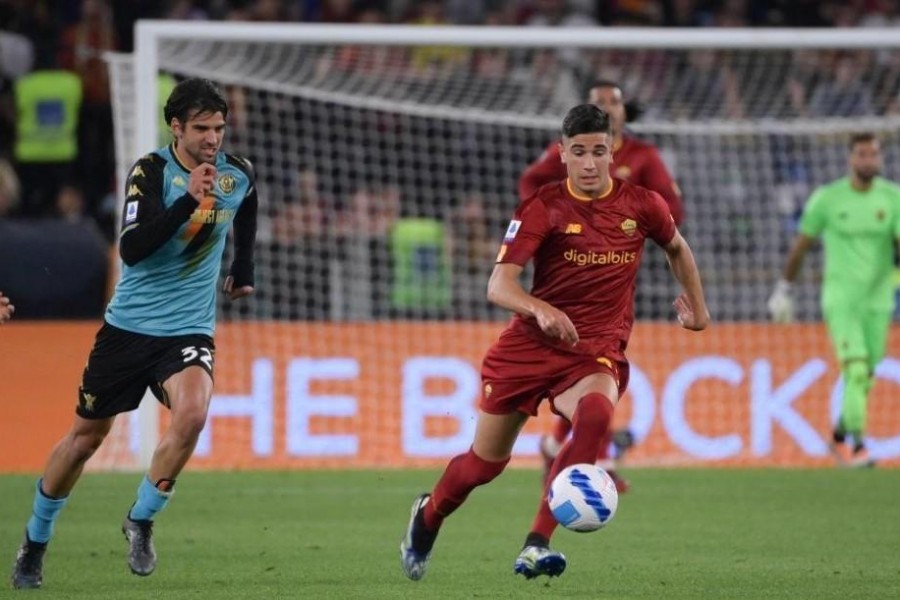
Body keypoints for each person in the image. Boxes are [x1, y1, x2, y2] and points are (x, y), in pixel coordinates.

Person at [400, 104, 709, 581]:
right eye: (579, 152)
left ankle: (536, 543)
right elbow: (499, 286)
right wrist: (540, 309)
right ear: (562, 154)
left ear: (613, 152)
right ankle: (428, 515)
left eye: (599, 152)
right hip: (530, 348)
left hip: (593, 350)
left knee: (597, 415)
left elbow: (677, 247)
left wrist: (699, 308)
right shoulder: (544, 206)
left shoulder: (643, 204)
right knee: (483, 466)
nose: (590, 163)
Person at [11, 77, 258, 589]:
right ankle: (34, 542)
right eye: (202, 128)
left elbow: (245, 207)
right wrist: (188, 202)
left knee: (192, 413)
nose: (213, 138)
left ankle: (141, 520)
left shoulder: (236, 175)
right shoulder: (149, 173)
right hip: (128, 329)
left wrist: (244, 264)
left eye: (219, 127)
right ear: (176, 127)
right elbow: (132, 250)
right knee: (85, 440)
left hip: (187, 329)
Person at [520, 79, 684, 493]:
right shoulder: (574, 150)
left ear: (625, 112)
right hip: (565, 270)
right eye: (599, 102)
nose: (607, 107)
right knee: (587, 365)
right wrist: (540, 225)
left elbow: (672, 206)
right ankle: (589, 457)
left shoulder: (643, 155)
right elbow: (530, 181)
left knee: (592, 365)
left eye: (614, 101)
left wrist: (635, 219)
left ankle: (561, 446)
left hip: (618, 271)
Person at [767, 132, 900, 469]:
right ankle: (857, 446)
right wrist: (784, 288)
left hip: (878, 301)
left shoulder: (893, 198)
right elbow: (802, 245)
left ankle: (839, 436)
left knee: (866, 372)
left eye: (873, 154)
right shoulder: (827, 199)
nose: (868, 160)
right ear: (850, 159)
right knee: (855, 368)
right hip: (841, 300)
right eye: (862, 154)